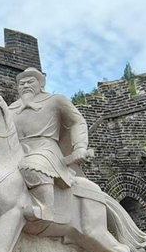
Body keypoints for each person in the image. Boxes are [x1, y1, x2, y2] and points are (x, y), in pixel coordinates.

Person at [8, 67, 93, 222]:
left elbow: (77, 121)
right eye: (21, 83)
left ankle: (46, 208)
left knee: (32, 164)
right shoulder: (10, 109)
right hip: (17, 151)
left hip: (46, 149)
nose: (25, 85)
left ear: (40, 83)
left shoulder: (55, 100)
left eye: (30, 81)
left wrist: (80, 146)